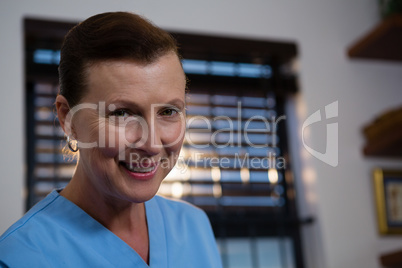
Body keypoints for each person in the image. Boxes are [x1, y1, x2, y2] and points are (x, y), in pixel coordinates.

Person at [0, 12, 222, 268]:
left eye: (168, 111)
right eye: (122, 113)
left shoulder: (194, 227)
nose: (151, 145)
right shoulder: (19, 259)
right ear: (67, 118)